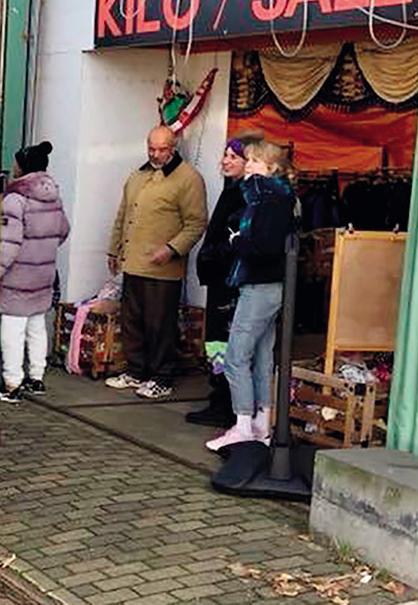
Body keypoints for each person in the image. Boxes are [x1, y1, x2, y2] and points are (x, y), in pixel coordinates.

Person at [105, 126, 208, 400]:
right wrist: (113, 250)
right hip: (133, 262)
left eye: (162, 149)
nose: (155, 154)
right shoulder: (137, 175)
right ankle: (136, 370)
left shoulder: (188, 178)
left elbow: (197, 223)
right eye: (151, 148)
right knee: (132, 322)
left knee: (160, 325)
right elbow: (122, 215)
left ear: (173, 148)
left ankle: (162, 377)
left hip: (164, 269)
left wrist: (173, 248)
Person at [207, 141, 298, 450]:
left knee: (235, 356)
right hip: (266, 286)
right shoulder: (271, 198)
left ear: (271, 168)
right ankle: (261, 422)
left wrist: (236, 241)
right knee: (260, 356)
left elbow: (264, 247)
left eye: (255, 161)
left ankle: (243, 423)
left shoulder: (267, 199)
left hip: (260, 286)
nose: (248, 164)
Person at [186, 133, 261, 427]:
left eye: (233, 156)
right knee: (217, 342)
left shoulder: (247, 194)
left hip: (232, 281)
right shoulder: (233, 189)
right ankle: (219, 398)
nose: (225, 161)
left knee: (225, 342)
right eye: (225, 155)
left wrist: (214, 255)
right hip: (221, 278)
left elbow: (237, 238)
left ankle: (228, 404)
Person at [0, 142, 70, 403]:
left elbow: (9, 244)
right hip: (44, 275)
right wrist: (44, 251)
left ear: (22, 166)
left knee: (13, 329)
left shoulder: (15, 199)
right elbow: (63, 230)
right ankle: (36, 378)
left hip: (18, 277)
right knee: (37, 327)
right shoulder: (53, 195)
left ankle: (11, 384)